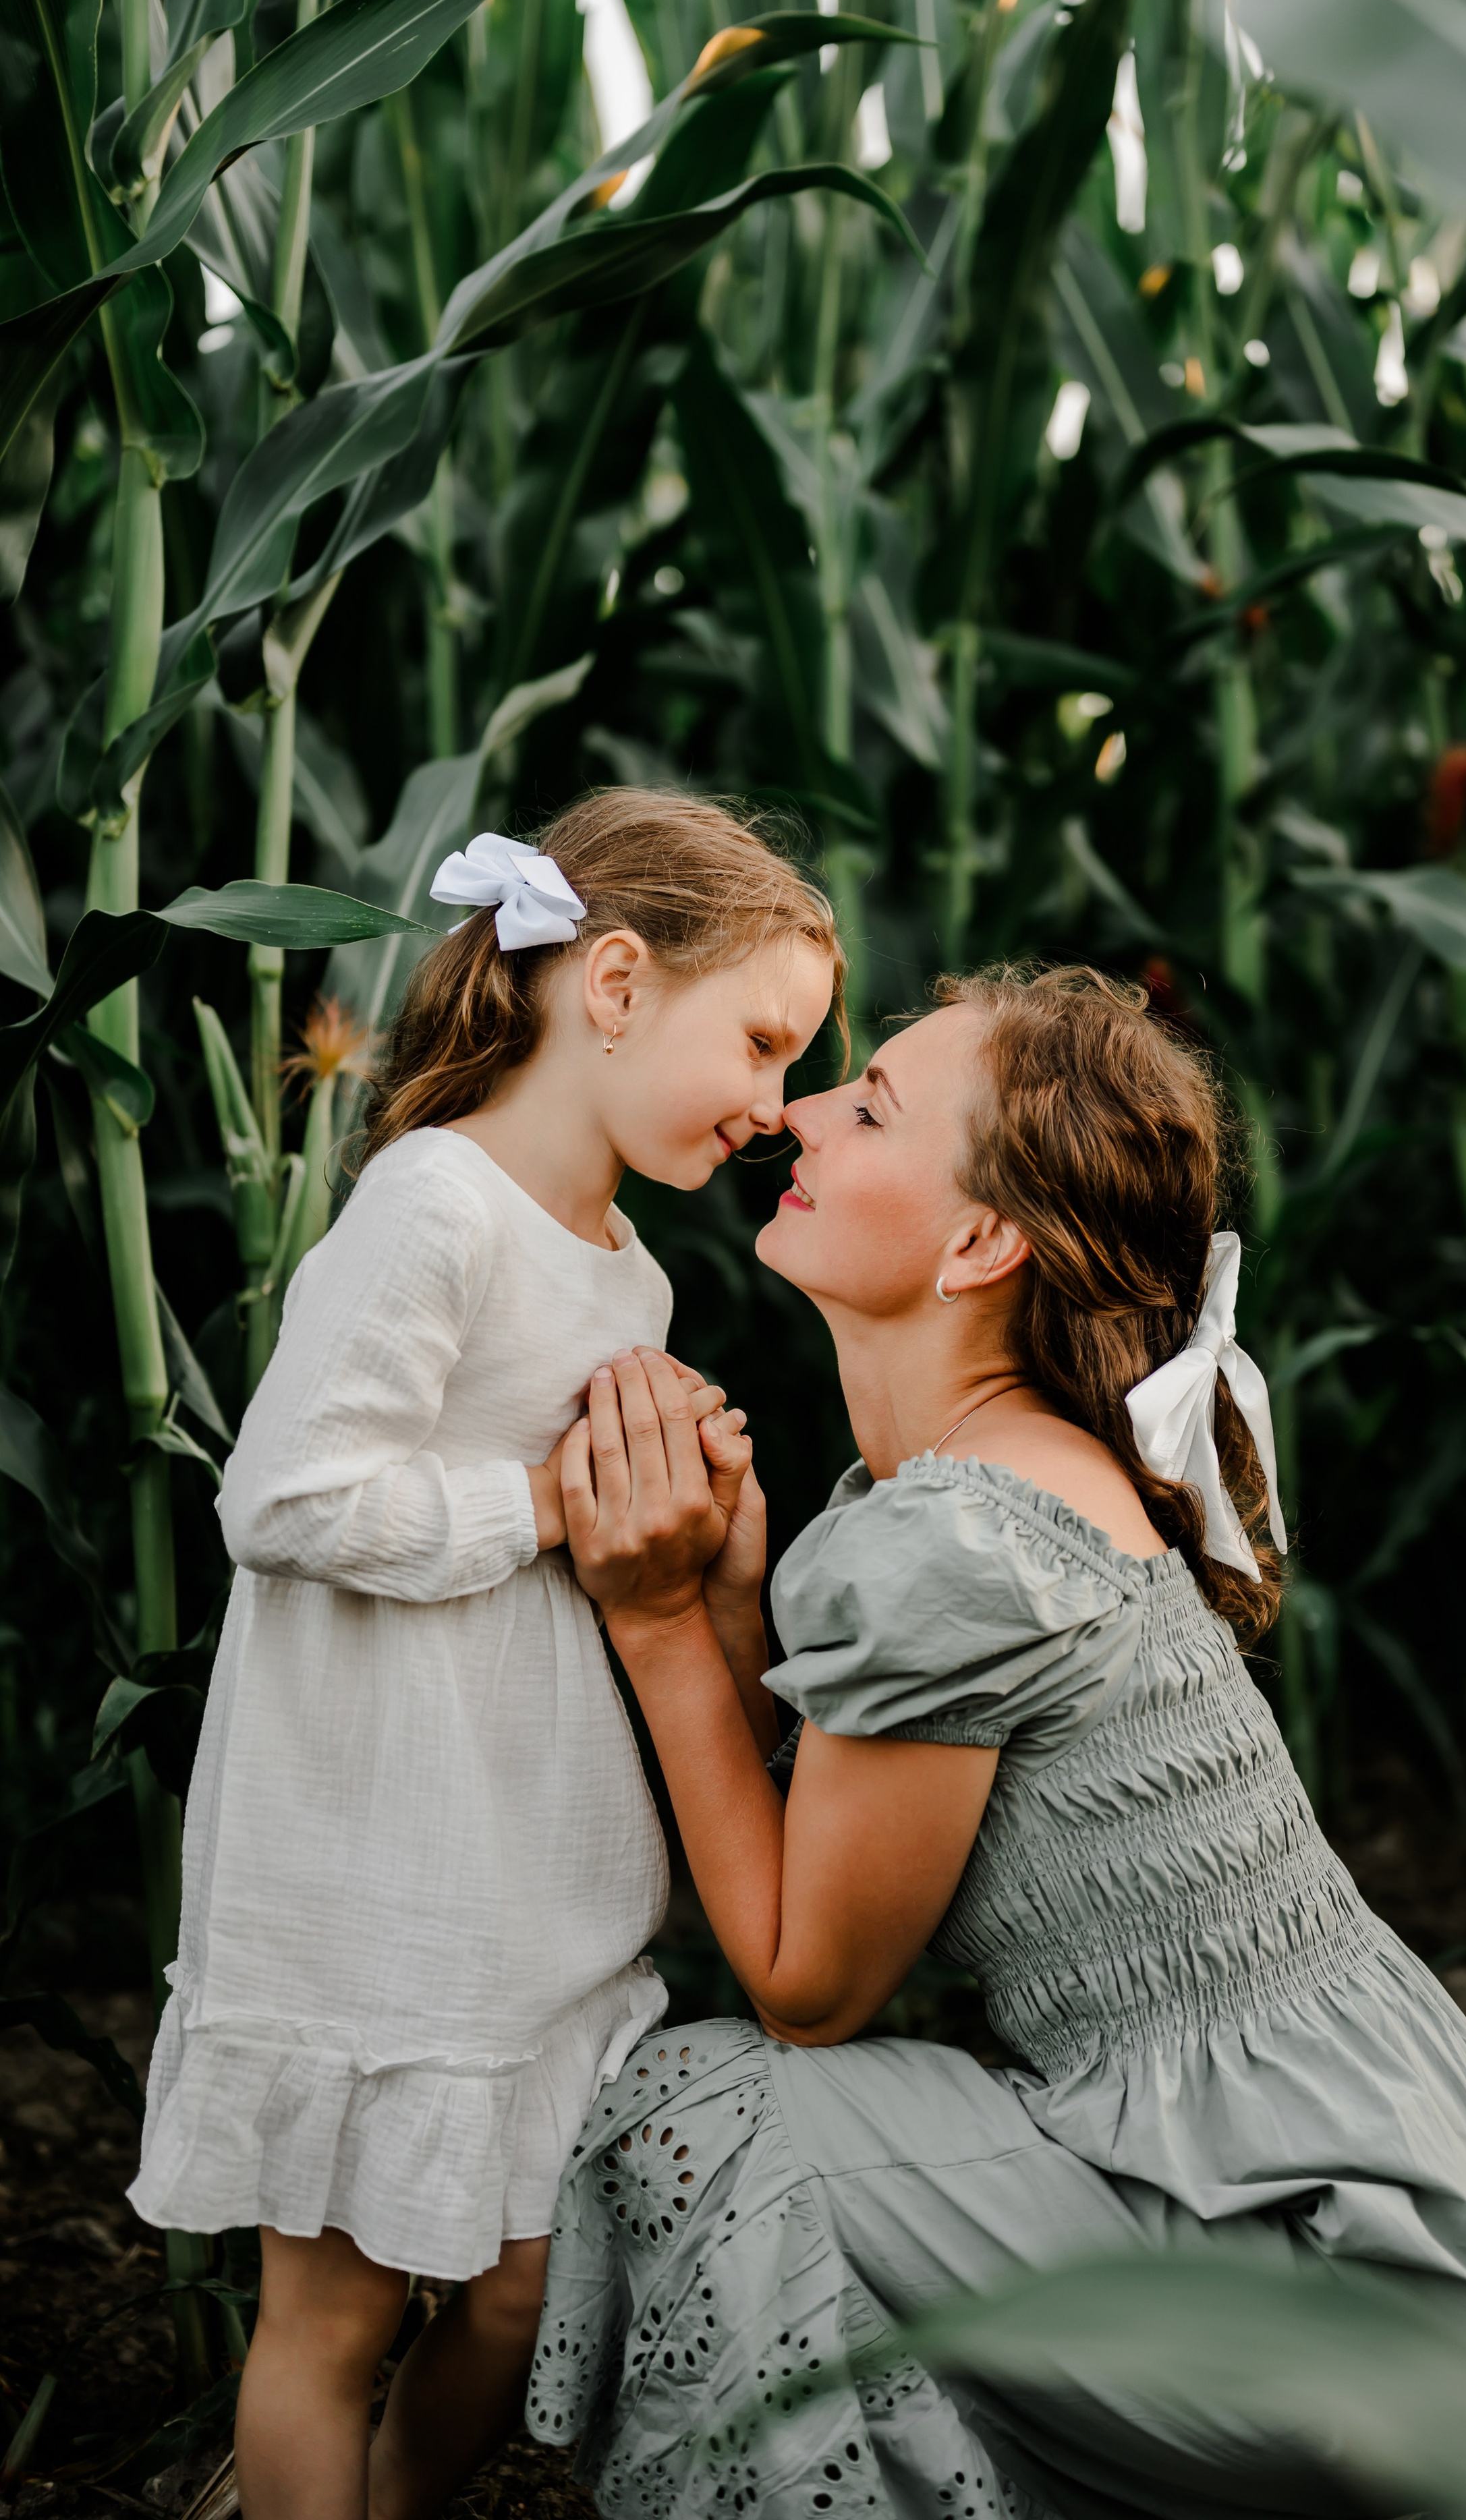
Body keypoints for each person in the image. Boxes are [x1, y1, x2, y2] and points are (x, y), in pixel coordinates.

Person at [530, 963, 1466, 2519]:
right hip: (1439, 2228)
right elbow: (861, 1838)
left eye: (870, 1102)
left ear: (978, 1243)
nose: (798, 1110)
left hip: (1339, 2299)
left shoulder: (957, 1541)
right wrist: (746, 1607)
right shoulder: (1004, 1480)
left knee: (714, 2103)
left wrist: (656, 1626)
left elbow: (805, 1981)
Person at [128, 791, 843, 2520]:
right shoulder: (435, 1203)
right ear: (611, 982)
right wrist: (543, 1497)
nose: (773, 1105)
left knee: (515, 2292)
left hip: (525, 1864)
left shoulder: (634, 1281)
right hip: (381, 1842)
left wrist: (678, 1509)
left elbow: (609, 1559)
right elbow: (285, 1495)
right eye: (757, 1042)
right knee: (335, 2308)